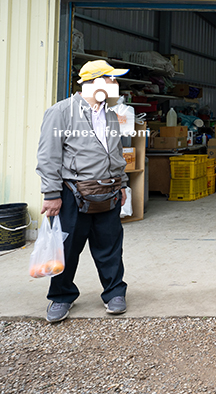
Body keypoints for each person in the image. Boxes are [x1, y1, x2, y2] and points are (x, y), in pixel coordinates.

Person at [35, 60, 131, 323]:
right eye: (112, 80)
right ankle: (61, 296)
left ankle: (114, 292)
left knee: (110, 246)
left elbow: (117, 153)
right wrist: (51, 193)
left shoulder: (111, 115)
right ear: (97, 82)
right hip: (72, 193)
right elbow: (48, 156)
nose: (115, 85)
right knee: (67, 248)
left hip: (108, 191)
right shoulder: (61, 112)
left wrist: (122, 184)